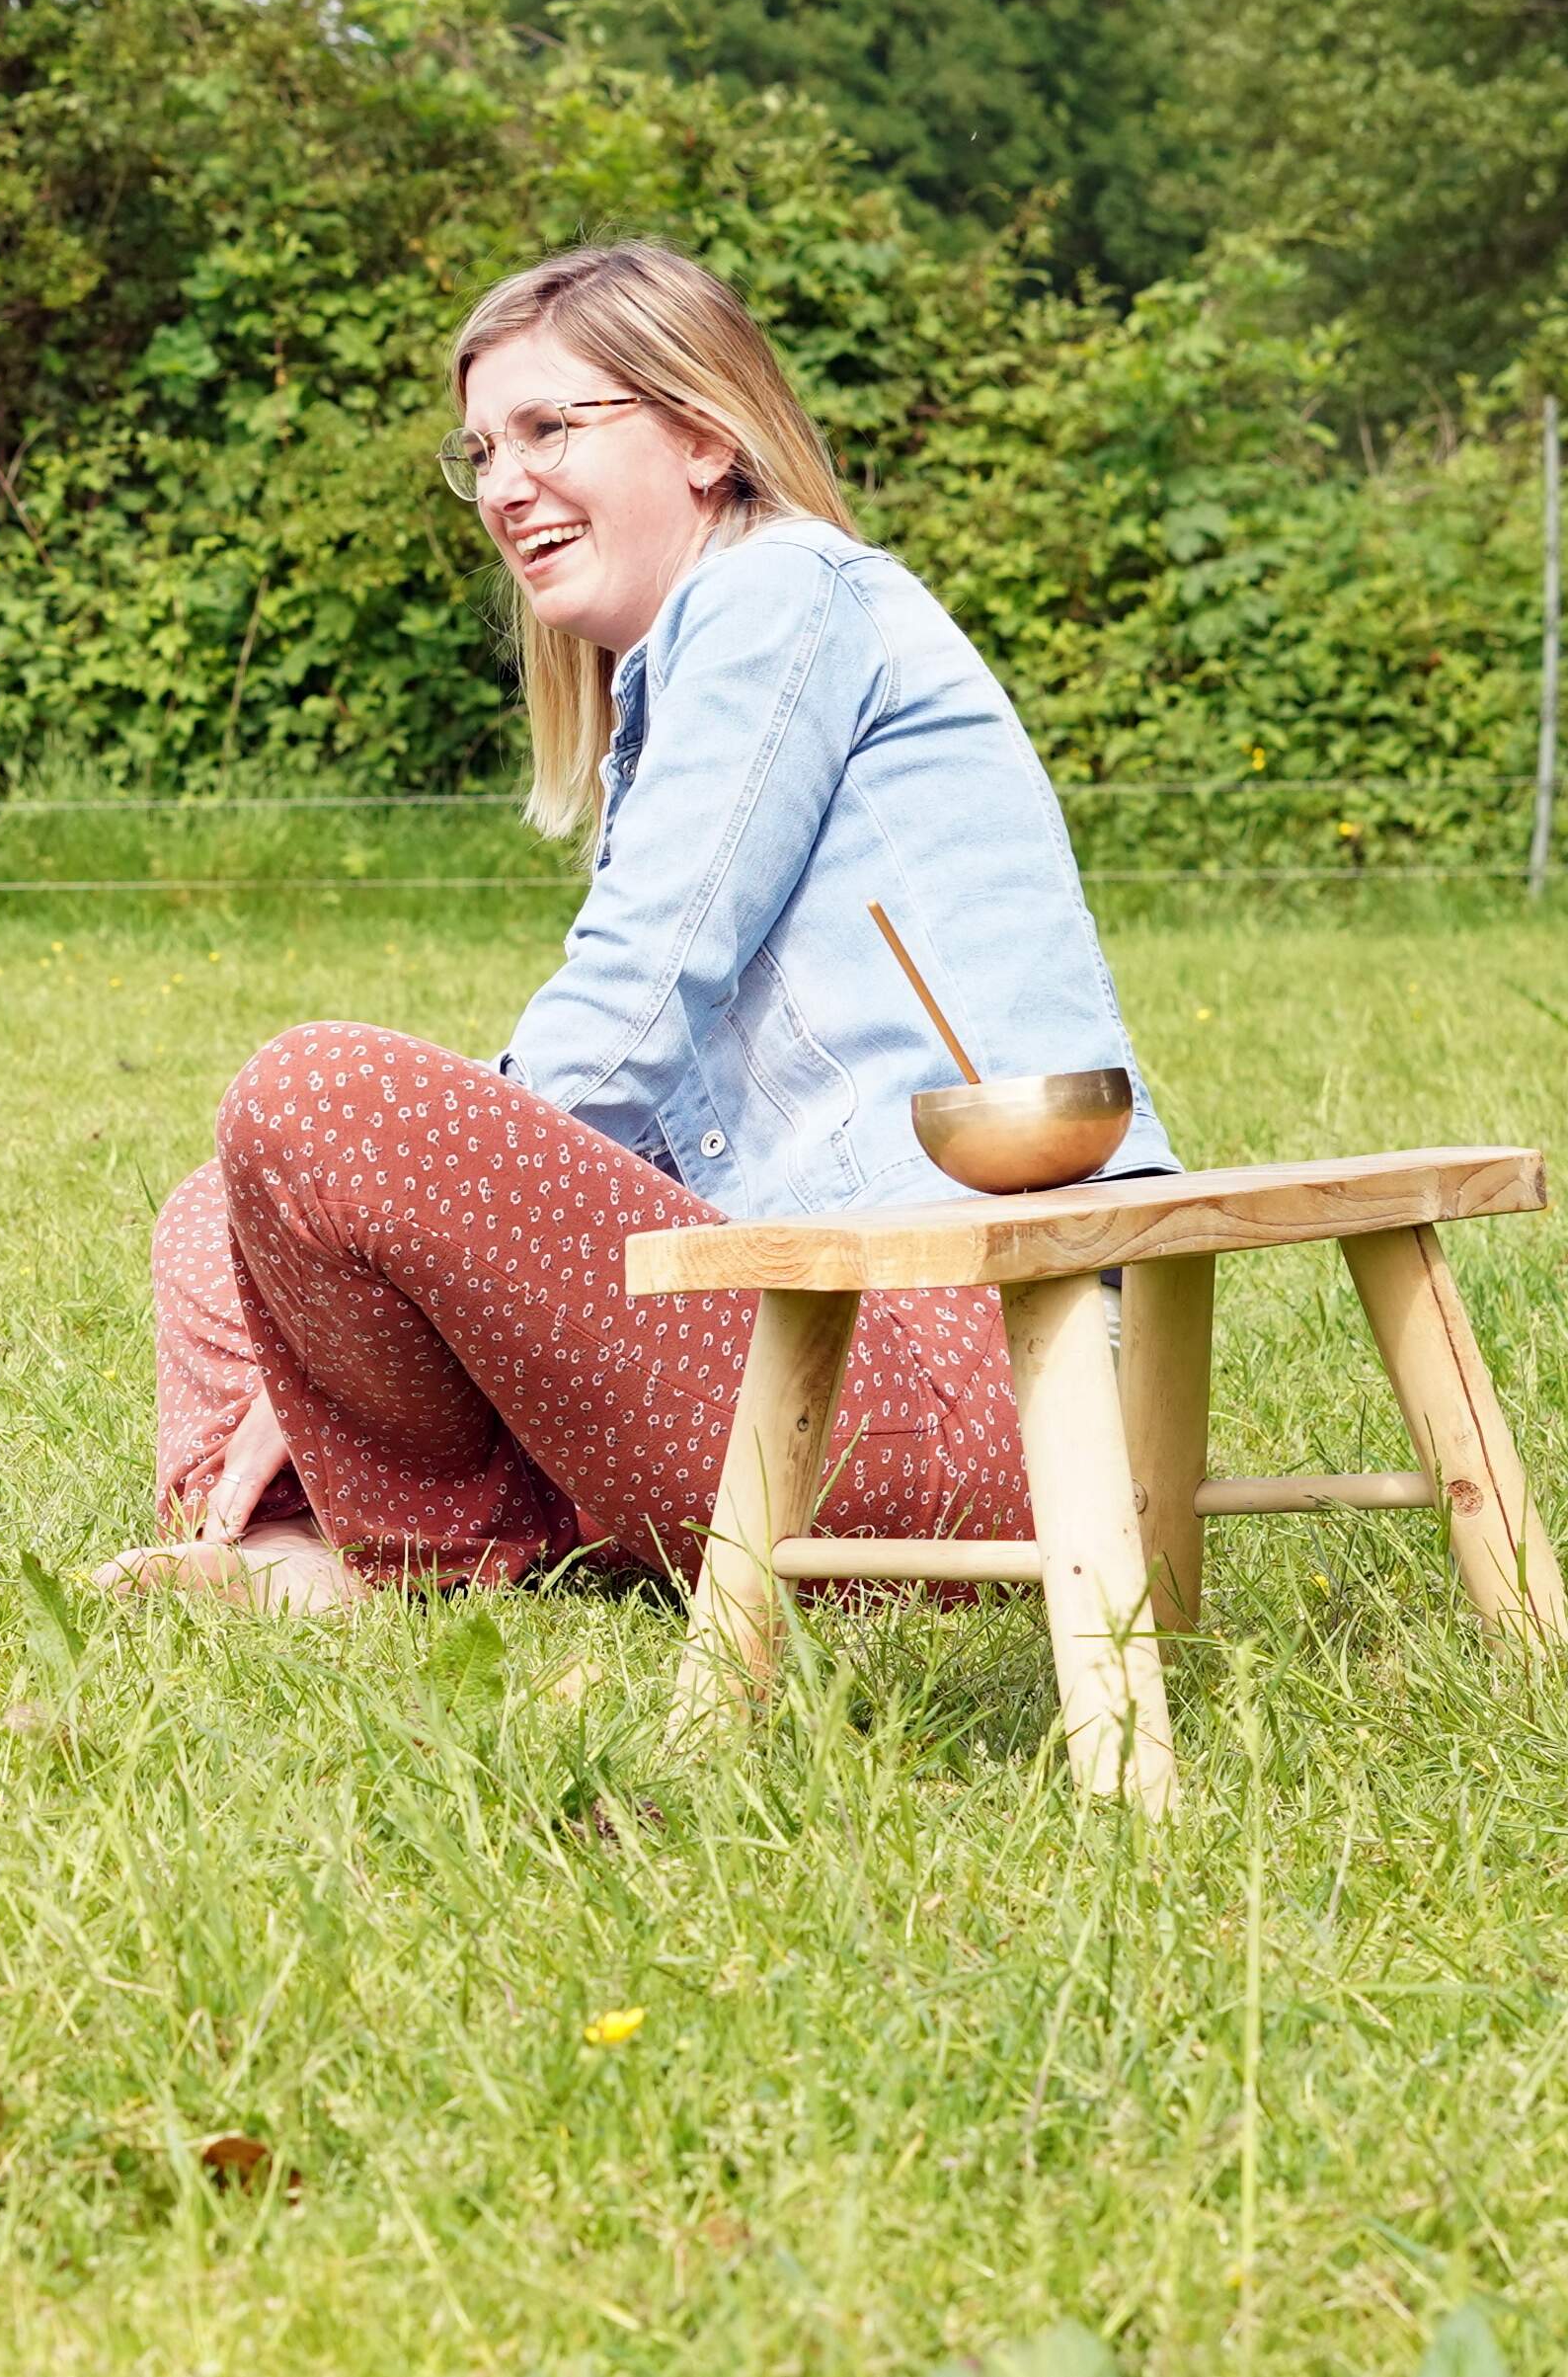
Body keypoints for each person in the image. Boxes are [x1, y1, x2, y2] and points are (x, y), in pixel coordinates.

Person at [105, 241, 1172, 1612]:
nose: (502, 483)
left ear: (704, 439)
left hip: (973, 1389)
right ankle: (313, 1547)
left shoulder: (782, 592)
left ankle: (380, 1546)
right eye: (481, 448)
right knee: (226, 1204)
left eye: (552, 426)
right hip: (794, 1351)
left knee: (314, 1101)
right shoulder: (679, 678)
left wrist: (318, 1363)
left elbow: (626, 1016)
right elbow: (644, 1118)